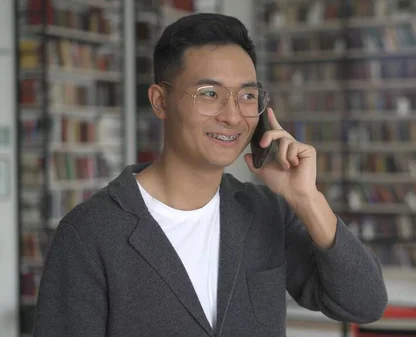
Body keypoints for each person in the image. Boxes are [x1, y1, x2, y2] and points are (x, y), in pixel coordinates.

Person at [32, 13, 388, 337]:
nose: (233, 116)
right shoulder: (90, 233)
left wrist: (307, 200)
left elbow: (364, 304)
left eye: (247, 95)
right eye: (209, 93)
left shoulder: (265, 211)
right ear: (160, 101)